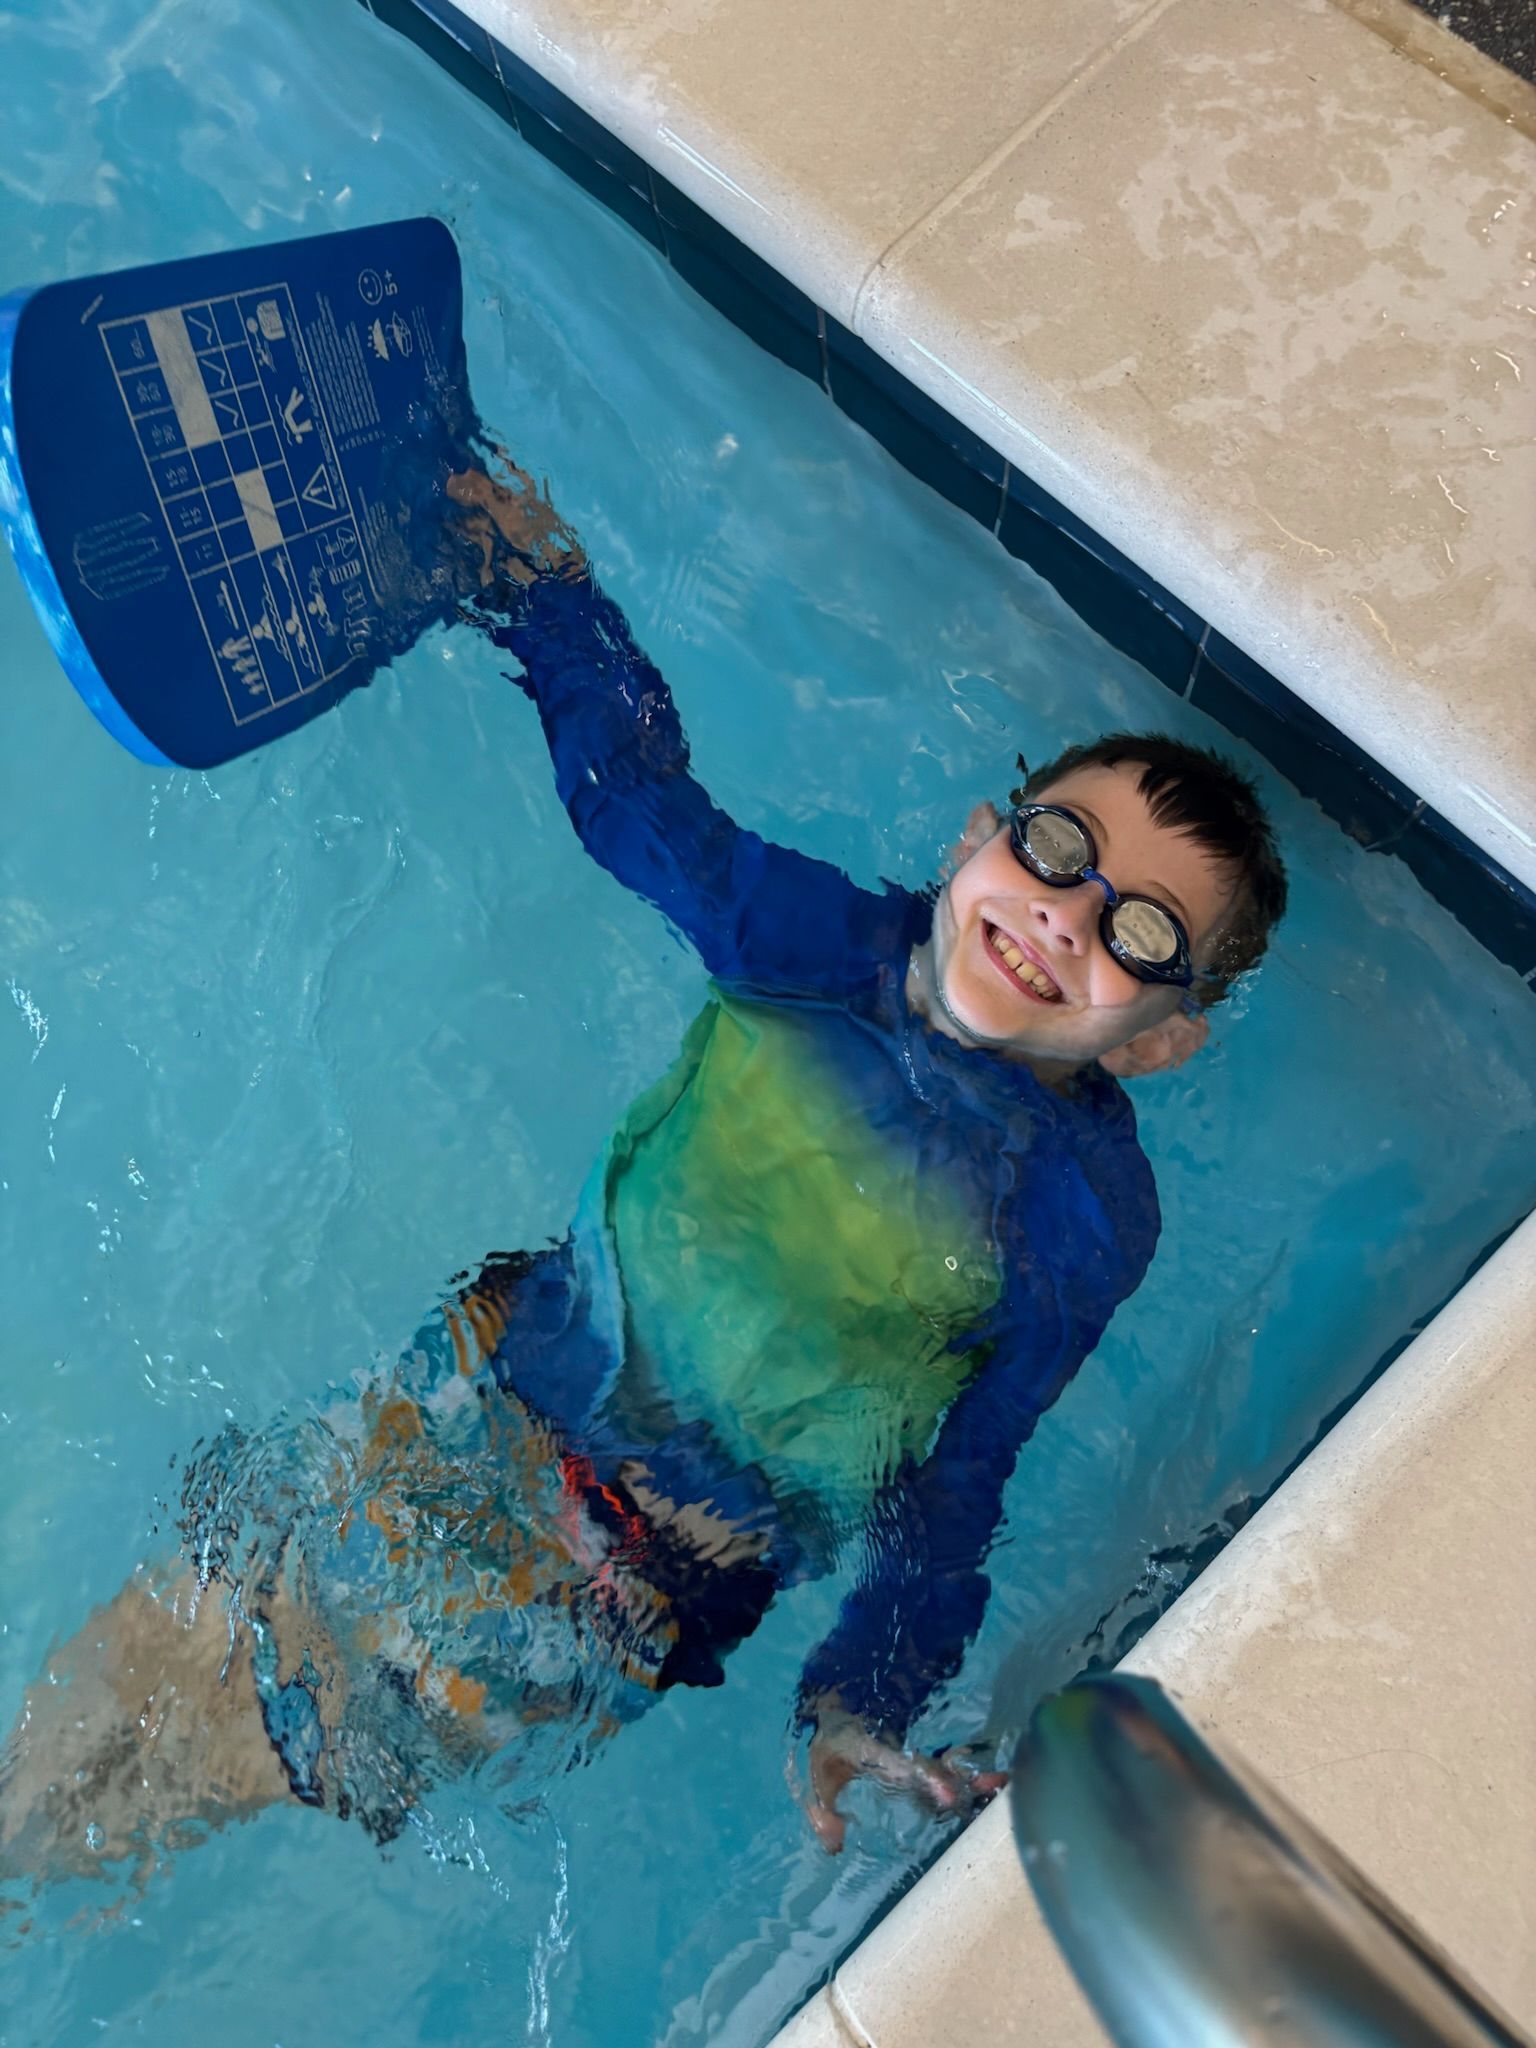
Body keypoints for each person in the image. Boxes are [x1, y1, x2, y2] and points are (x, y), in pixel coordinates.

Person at [0, 463, 1286, 1890]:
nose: (1063, 915)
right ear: (976, 842)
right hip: (483, 1374)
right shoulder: (812, 947)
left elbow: (960, 1475)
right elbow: (635, 800)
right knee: (169, 1631)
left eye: (1142, 933)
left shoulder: (1080, 1218)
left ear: (1164, 1043)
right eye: (1058, 849)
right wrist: (545, 597)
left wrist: (861, 1697)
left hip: (638, 1567)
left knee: (224, 1765)